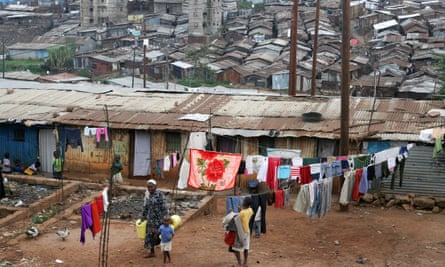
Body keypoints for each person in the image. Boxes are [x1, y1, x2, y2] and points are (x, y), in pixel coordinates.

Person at [140, 179, 169, 258]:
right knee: (149, 235)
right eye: (148, 187)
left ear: (155, 186)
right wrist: (143, 216)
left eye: (151, 187)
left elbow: (164, 207)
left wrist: (166, 218)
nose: (150, 189)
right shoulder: (148, 195)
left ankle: (166, 250)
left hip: (158, 219)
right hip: (150, 219)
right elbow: (146, 206)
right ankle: (152, 252)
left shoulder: (160, 195)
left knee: (160, 235)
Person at [232, 197, 254, 267]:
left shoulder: (242, 213)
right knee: (246, 247)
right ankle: (245, 262)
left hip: (240, 232)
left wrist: (231, 212)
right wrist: (241, 210)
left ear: (244, 203)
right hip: (247, 231)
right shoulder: (250, 210)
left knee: (235, 247)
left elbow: (237, 218)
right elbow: (244, 214)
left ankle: (239, 262)